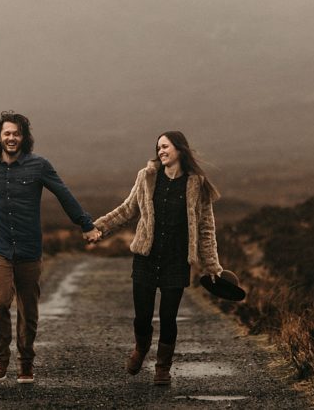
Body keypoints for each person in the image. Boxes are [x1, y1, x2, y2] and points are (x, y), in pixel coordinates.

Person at [0, 111, 97, 384]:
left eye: (16, 134)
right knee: (0, 301)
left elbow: (63, 193)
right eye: (6, 133)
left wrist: (85, 224)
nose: (11, 138)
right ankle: (0, 360)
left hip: (29, 247)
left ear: (24, 138)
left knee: (28, 309)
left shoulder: (39, 166)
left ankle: (26, 362)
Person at [85, 131, 223, 385]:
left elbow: (206, 229)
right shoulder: (147, 177)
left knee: (169, 317)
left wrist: (212, 265)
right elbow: (127, 209)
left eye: (165, 146)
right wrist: (99, 227)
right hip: (146, 258)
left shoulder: (196, 185)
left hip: (177, 260)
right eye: (158, 147)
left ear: (180, 149)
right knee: (142, 316)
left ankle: (162, 368)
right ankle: (141, 347)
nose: (161, 151)